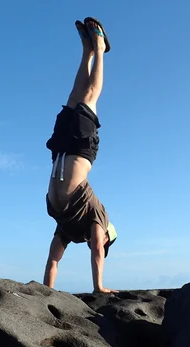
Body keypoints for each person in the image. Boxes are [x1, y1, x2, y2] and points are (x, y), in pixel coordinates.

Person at [43, 17, 118, 294]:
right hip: (74, 152)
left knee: (75, 97)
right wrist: (99, 287)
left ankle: (87, 51)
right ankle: (99, 48)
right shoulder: (99, 215)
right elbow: (98, 248)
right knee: (90, 96)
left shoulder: (69, 228)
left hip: (61, 152)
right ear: (107, 231)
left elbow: (53, 260)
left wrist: (45, 295)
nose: (97, 239)